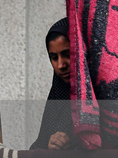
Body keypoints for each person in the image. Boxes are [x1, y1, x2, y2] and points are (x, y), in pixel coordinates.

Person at [30, 18, 73, 150]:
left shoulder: (102, 95)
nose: (61, 65)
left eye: (67, 54)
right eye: (54, 58)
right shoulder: (58, 94)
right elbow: (41, 143)